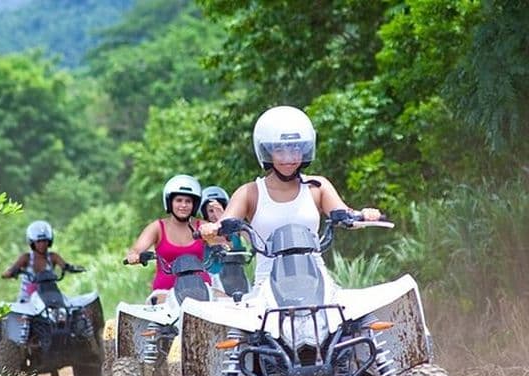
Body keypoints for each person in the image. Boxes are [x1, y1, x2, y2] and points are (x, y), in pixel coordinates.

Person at [199, 105, 380, 285]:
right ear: (267, 152)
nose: (289, 157)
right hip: (267, 284)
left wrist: (364, 215)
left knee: (356, 312)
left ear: (305, 150)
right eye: (280, 150)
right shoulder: (249, 192)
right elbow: (224, 224)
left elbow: (345, 214)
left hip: (316, 278)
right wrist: (212, 229)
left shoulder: (318, 187)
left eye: (295, 149)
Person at [125, 174, 211, 293]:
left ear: (194, 205)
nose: (183, 205)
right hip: (165, 291)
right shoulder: (157, 227)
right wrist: (134, 255)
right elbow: (136, 249)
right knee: (156, 307)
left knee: (227, 302)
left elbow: (226, 244)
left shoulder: (202, 227)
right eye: (179, 200)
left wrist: (220, 220)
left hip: (201, 289)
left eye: (188, 201)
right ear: (170, 202)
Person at [2, 220, 70, 302]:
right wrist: (12, 272)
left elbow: (64, 265)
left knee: (65, 311)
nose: (42, 244)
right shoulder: (26, 258)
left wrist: (69, 268)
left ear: (49, 241)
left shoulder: (53, 257)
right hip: (28, 298)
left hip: (50, 295)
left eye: (45, 241)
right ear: (32, 243)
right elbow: (8, 272)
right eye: (38, 242)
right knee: (24, 315)